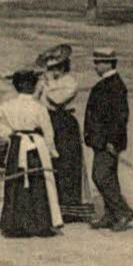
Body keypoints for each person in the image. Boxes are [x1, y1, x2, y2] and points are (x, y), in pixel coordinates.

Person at [0, 68, 62, 238]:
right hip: (35, 146)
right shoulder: (38, 107)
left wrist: (8, 133)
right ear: (33, 86)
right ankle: (39, 224)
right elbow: (48, 131)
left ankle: (15, 225)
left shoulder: (9, 105)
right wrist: (51, 151)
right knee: (37, 182)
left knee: (17, 182)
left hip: (17, 145)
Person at [84, 48, 133, 231]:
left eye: (98, 62)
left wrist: (112, 141)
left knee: (100, 176)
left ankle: (123, 212)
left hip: (107, 142)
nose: (95, 66)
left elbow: (120, 118)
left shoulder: (114, 86)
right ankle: (110, 214)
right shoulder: (109, 83)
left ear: (108, 64)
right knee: (109, 177)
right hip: (101, 141)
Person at [35, 45, 86, 218]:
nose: (53, 71)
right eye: (50, 68)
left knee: (67, 163)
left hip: (64, 123)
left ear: (65, 67)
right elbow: (35, 101)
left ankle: (69, 209)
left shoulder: (69, 82)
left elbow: (57, 99)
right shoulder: (46, 82)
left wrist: (47, 84)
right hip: (46, 120)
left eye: (57, 67)